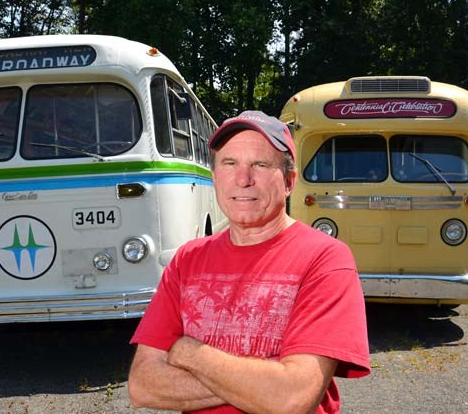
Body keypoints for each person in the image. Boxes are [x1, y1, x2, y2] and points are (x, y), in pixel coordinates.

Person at [128, 110, 370, 414]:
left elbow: (290, 399)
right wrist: (263, 382)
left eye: (260, 164)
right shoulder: (187, 260)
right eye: (229, 163)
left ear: (289, 181)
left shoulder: (325, 259)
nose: (243, 180)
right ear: (215, 177)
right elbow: (143, 385)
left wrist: (190, 353)